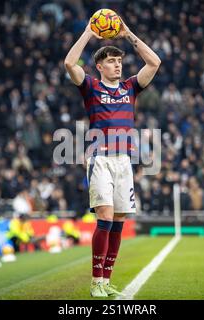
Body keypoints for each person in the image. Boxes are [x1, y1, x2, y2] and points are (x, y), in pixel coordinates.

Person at [64, 17, 160, 297]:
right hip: (100, 160)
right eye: (111, 61)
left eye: (119, 60)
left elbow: (154, 63)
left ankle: (106, 280)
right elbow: (70, 64)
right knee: (104, 217)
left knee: (118, 222)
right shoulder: (91, 87)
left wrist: (127, 33)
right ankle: (95, 281)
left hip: (124, 162)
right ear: (100, 66)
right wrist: (87, 33)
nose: (117, 64)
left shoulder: (130, 87)